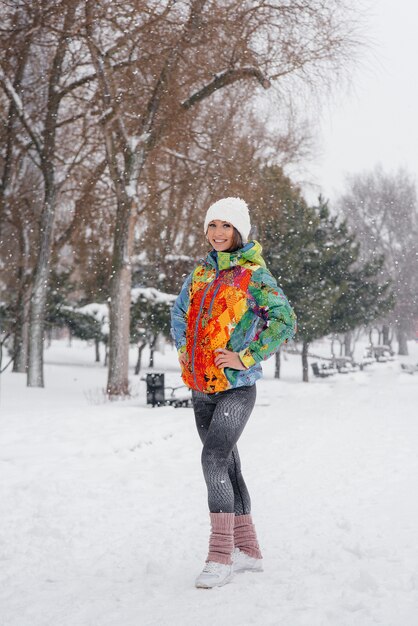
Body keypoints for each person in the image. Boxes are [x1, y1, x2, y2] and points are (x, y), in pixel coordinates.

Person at [170, 197, 296, 588]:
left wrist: (246, 356)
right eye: (212, 225)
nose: (218, 233)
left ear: (239, 231)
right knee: (228, 465)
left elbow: (284, 321)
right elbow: (178, 313)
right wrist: (186, 354)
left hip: (236, 389)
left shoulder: (254, 275)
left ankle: (219, 555)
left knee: (213, 457)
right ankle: (248, 550)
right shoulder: (200, 274)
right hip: (200, 387)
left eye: (226, 226)